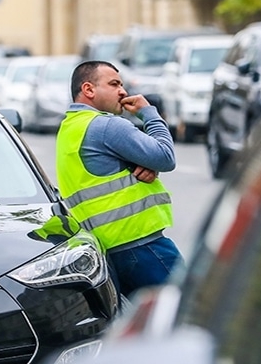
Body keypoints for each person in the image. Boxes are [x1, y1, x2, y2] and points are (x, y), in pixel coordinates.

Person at [55, 60, 183, 298]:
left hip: (108, 253)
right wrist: (149, 112)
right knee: (188, 312)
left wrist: (141, 164)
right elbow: (165, 156)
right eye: (114, 84)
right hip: (143, 247)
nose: (123, 91)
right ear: (88, 90)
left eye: (122, 84)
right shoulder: (106, 126)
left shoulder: (70, 129)